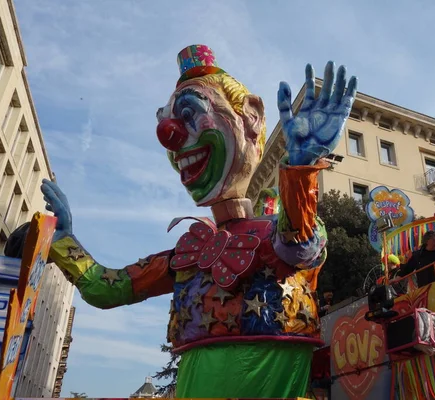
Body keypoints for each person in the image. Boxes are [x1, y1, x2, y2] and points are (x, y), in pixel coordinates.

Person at [40, 44, 358, 398]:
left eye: (190, 113)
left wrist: (300, 170)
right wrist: (61, 242)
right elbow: (106, 287)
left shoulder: (279, 233)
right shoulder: (188, 253)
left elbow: (298, 245)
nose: (170, 137)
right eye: (166, 122)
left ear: (251, 116)